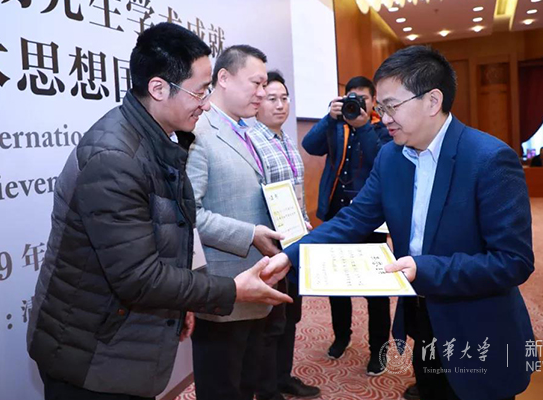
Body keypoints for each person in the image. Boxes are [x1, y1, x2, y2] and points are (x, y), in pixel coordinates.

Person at [26, 23, 291, 400]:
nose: (206, 103)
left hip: (119, 339)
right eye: (200, 91)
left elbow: (175, 228)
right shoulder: (114, 158)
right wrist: (231, 290)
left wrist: (182, 301)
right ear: (158, 88)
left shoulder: (157, 138)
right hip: (89, 352)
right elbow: (137, 277)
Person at [267, 45, 537, 400]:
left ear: (432, 101)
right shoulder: (391, 158)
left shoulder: (489, 159)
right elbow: (353, 219)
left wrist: (423, 269)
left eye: (391, 106)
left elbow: (514, 261)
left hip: (477, 324)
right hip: (422, 318)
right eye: (380, 108)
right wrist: (291, 255)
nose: (384, 118)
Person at [186, 45, 285, 400]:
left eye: (264, 84)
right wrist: (250, 234)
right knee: (222, 389)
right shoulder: (199, 131)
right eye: (256, 83)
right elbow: (189, 214)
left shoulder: (249, 129)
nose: (262, 92)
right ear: (224, 78)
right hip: (222, 292)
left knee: (247, 385)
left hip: (256, 287)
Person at [302, 75, 392, 375]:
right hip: (337, 216)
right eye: (351, 98)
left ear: (374, 101)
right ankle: (342, 337)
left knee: (376, 290)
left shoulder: (383, 127)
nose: (356, 105)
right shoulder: (336, 125)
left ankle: (379, 349)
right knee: (336, 284)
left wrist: (363, 126)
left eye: (362, 99)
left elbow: (382, 160)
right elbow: (310, 146)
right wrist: (329, 118)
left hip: (371, 220)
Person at [249, 71, 321, 400]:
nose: (280, 105)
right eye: (271, 99)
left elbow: (296, 194)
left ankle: (283, 377)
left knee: (291, 314)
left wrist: (304, 226)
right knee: (271, 321)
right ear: (258, 102)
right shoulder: (252, 141)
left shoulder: (286, 140)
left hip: (294, 241)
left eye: (284, 98)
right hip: (269, 244)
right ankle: (267, 390)